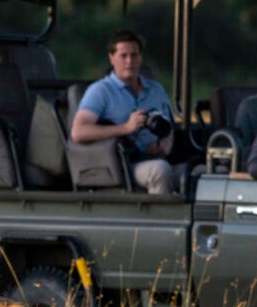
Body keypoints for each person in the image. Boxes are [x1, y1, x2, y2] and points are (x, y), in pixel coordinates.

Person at [71, 29, 177, 194]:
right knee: (160, 171)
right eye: (123, 56)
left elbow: (169, 123)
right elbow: (78, 132)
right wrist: (126, 128)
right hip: (125, 163)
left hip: (160, 155)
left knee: (200, 172)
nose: (130, 61)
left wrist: (166, 142)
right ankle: (158, 218)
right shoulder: (100, 91)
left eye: (134, 55)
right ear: (111, 58)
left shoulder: (156, 89)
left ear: (140, 58)